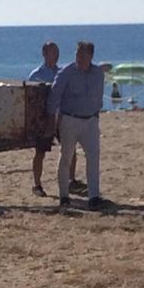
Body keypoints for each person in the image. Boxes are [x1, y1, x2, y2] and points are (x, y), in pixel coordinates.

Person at [47, 41, 105, 211]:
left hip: (90, 121)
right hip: (70, 119)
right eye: (77, 54)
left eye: (83, 55)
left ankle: (94, 196)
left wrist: (95, 113)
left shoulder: (97, 74)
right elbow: (55, 95)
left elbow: (98, 96)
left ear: (91, 56)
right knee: (66, 156)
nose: (79, 58)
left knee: (93, 157)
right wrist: (52, 119)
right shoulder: (66, 72)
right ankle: (64, 196)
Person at [28, 42, 85, 198]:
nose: (56, 55)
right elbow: (31, 99)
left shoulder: (62, 73)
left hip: (62, 116)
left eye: (57, 52)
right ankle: (37, 184)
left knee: (70, 149)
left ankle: (71, 180)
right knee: (40, 151)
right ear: (45, 54)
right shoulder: (36, 75)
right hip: (44, 119)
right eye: (53, 52)